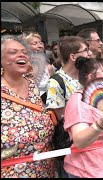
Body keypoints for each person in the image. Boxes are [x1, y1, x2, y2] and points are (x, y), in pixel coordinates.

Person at [1, 35, 57, 178]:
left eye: (24, 52)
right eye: (13, 52)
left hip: (46, 170)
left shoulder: (32, 86)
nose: (22, 55)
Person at [45, 36, 92, 178]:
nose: (89, 54)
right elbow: (63, 119)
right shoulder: (56, 82)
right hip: (73, 147)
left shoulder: (86, 76)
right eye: (85, 50)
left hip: (92, 142)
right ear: (73, 56)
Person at [21, 31, 55, 97]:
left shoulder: (48, 68)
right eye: (35, 43)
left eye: (41, 43)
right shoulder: (19, 67)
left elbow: (55, 89)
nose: (40, 46)